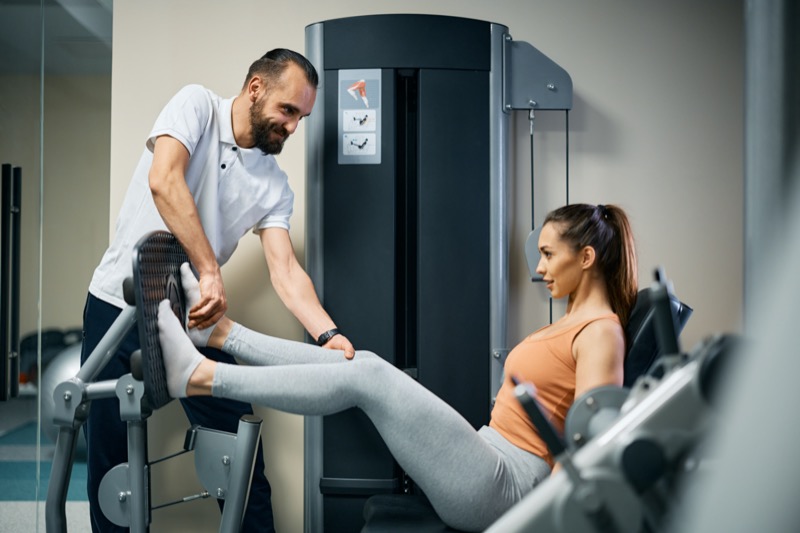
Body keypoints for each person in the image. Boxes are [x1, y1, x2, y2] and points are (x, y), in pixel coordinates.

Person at [157, 203, 638, 532]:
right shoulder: (577, 321)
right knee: (360, 363)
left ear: (588, 257)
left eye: (550, 254)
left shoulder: (601, 331)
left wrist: (540, 522)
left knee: (367, 377)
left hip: (506, 485)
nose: (540, 267)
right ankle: (219, 335)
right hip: (489, 457)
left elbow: (594, 445)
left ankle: (200, 376)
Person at [81, 48, 354, 533]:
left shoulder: (274, 185)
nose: (293, 128)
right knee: (111, 460)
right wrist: (209, 269)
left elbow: (286, 270)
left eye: (301, 118)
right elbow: (164, 180)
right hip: (117, 307)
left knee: (241, 455)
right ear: (255, 88)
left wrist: (327, 335)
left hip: (191, 322)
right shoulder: (196, 107)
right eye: (288, 111)